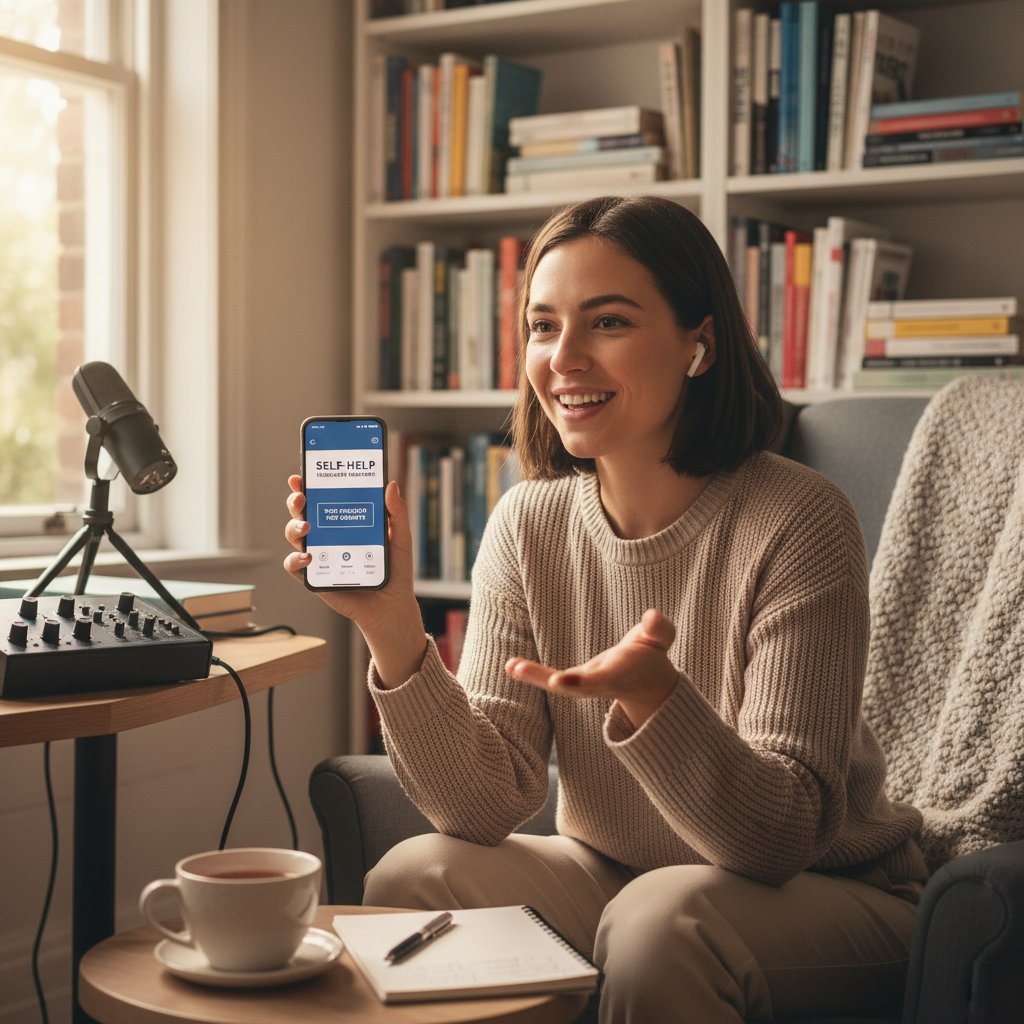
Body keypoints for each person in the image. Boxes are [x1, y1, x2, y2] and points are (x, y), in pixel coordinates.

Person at [283, 195, 928, 1022]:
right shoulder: (529, 522)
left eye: (609, 322)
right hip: (615, 873)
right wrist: (390, 625)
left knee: (662, 921)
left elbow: (781, 835)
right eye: (543, 326)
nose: (564, 358)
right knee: (414, 875)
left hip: (824, 890)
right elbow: (484, 805)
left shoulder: (800, 517)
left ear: (701, 343)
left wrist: (658, 701)